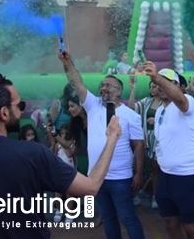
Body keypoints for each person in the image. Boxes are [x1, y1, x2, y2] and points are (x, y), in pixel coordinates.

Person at [0, 74, 122, 239]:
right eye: (20, 106)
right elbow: (90, 187)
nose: (22, 111)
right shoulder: (33, 154)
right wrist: (112, 139)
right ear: (4, 113)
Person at [58, 50, 146, 239]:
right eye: (102, 85)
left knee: (128, 217)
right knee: (107, 218)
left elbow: (138, 146)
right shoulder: (92, 105)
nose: (104, 88)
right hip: (96, 178)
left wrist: (138, 173)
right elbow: (77, 82)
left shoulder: (132, 116)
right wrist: (68, 62)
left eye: (109, 85)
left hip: (121, 178)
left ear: (119, 91)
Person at [143, 62, 194, 239]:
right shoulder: (159, 111)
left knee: (192, 226)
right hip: (166, 175)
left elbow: (179, 99)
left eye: (168, 82)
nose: (161, 86)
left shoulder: (187, 104)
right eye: (159, 84)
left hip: (187, 174)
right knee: (169, 222)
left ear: (179, 86)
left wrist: (156, 77)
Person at [128, 78, 162, 209]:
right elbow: (132, 107)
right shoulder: (147, 102)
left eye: (154, 86)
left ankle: (155, 197)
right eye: (151, 87)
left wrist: (157, 120)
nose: (152, 89)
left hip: (158, 141)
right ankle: (134, 195)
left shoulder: (165, 104)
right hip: (144, 139)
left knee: (155, 171)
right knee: (136, 168)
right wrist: (133, 90)